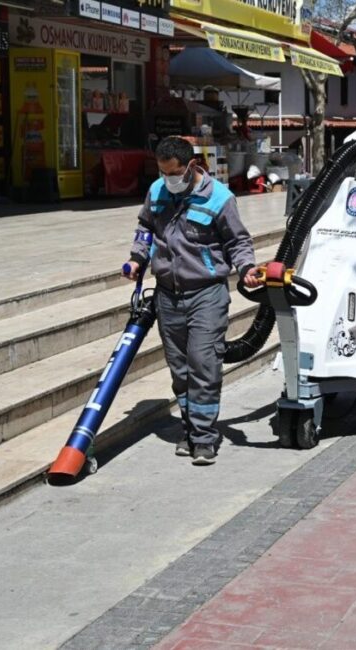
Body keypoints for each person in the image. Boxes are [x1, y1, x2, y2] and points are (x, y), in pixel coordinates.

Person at [123, 136, 259, 465]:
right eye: (162, 172)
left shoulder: (219, 198)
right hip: (168, 295)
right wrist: (137, 258)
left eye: (174, 173)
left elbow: (238, 241)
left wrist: (247, 268)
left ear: (191, 166)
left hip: (206, 294)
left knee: (204, 364)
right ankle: (189, 427)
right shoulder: (156, 192)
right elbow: (145, 227)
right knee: (180, 370)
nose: (168, 179)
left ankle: (204, 437)